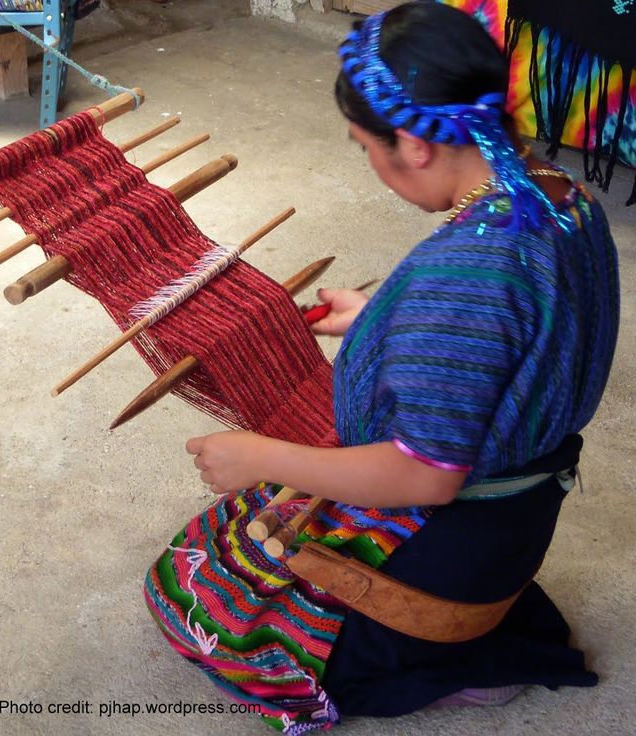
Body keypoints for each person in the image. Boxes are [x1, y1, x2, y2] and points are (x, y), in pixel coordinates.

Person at [143, 2, 620, 732]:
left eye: (364, 144)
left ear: (414, 144)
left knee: (194, 590)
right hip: (520, 511)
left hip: (459, 533)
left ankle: (444, 664)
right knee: (241, 528)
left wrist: (263, 456)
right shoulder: (560, 195)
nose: (369, 163)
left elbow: (426, 474)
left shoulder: (467, 275)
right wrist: (379, 321)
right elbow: (524, 340)